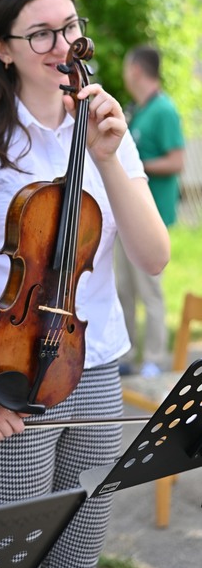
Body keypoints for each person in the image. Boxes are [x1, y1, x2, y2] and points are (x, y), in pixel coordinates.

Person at [0, 0, 170, 568]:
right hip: (4, 376)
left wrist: (106, 157)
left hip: (94, 370)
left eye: (69, 27)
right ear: (3, 48)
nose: (62, 45)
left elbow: (154, 257)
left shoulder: (107, 131)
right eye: (40, 33)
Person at [115, 46, 184, 377]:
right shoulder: (138, 110)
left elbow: (177, 161)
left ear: (136, 70)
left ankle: (154, 359)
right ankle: (127, 355)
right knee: (123, 288)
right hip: (125, 216)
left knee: (150, 291)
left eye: (126, 68)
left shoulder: (164, 110)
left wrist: (135, 165)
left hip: (151, 217)